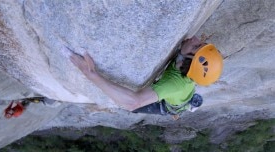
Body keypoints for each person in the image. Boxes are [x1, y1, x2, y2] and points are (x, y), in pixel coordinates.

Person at [68, 36, 223, 116]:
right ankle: (188, 103)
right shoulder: (187, 65)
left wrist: (91, 74)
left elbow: (133, 103)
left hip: (166, 106)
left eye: (196, 45)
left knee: (127, 108)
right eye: (201, 42)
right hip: (182, 93)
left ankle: (185, 106)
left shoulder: (173, 83)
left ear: (189, 60)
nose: (195, 38)